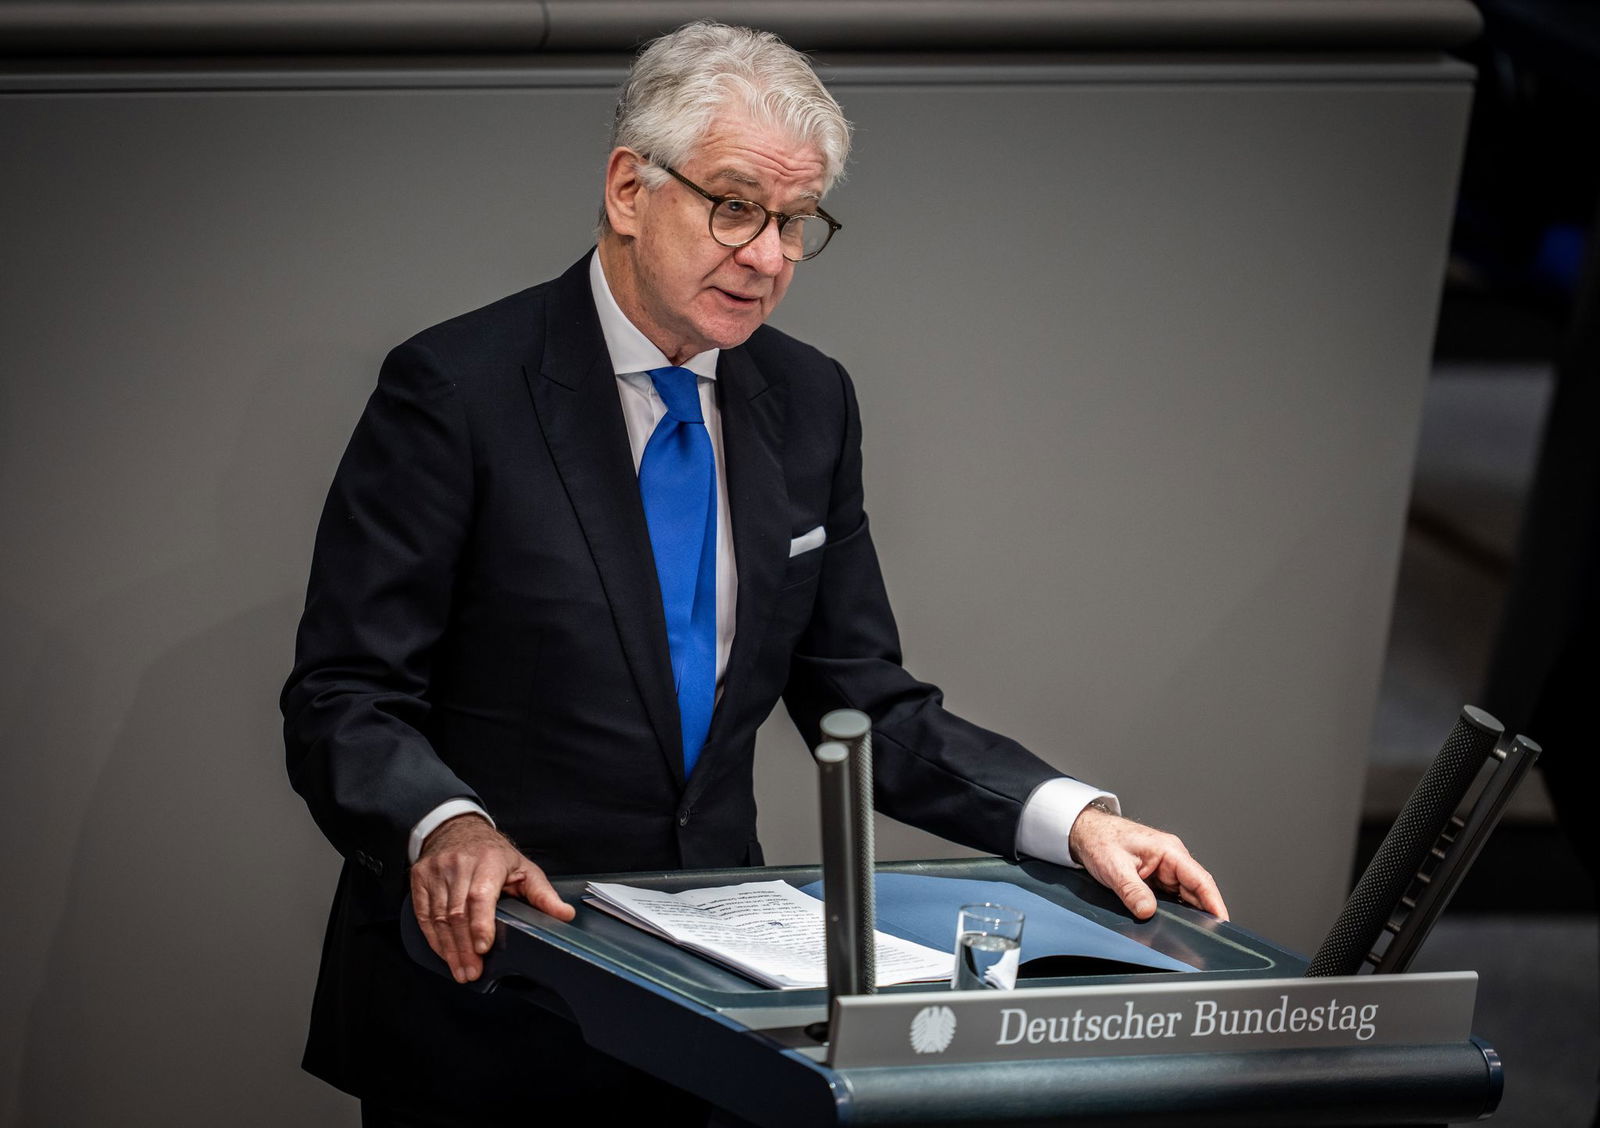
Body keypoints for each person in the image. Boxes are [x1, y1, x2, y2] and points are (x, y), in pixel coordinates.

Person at [282, 20, 1227, 1126]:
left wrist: (1070, 820)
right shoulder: (458, 390)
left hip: (711, 1011)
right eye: (734, 207)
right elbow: (344, 696)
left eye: (794, 222)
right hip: (491, 995)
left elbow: (862, 699)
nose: (769, 255)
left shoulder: (808, 400)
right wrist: (446, 825)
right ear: (631, 189)